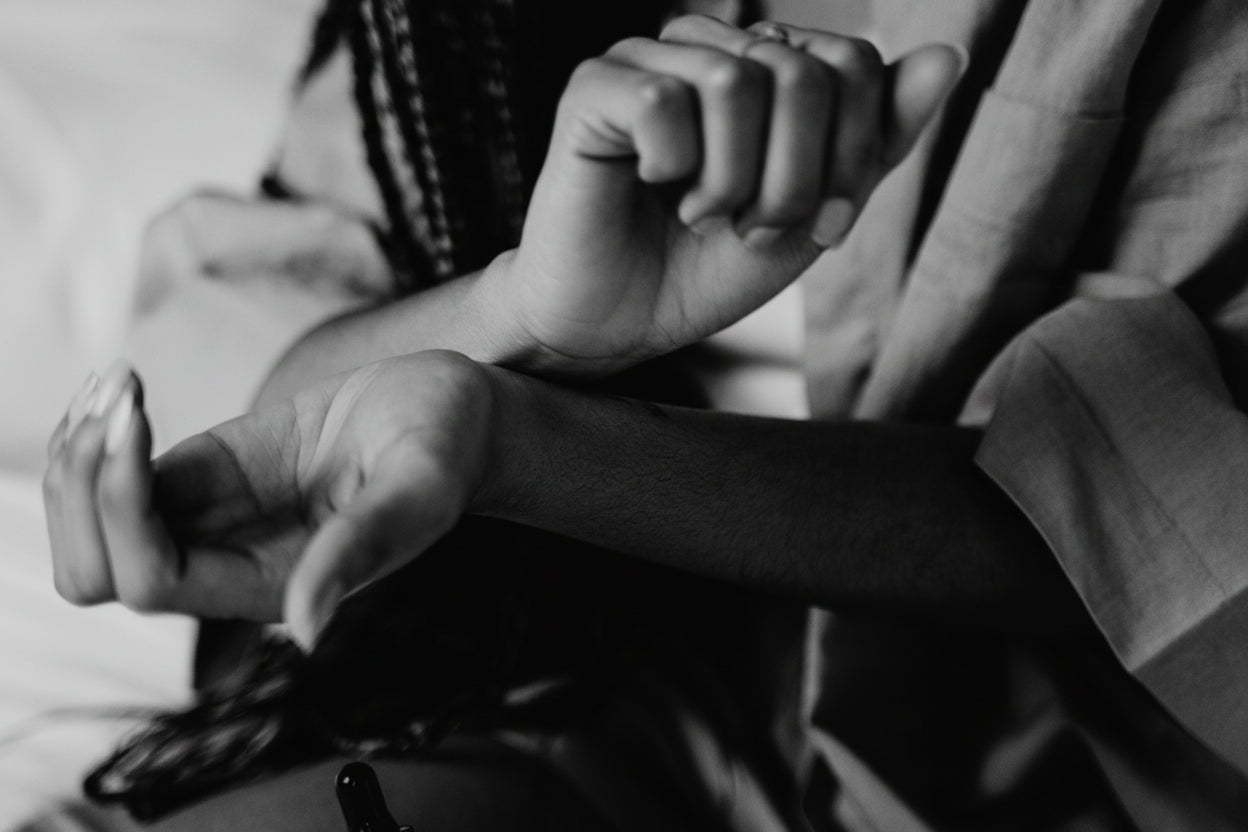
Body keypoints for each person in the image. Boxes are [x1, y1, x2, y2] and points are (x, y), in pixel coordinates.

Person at [40, 1, 1248, 831]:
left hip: (1070, 755)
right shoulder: (453, 30)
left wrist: (529, 442)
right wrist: (514, 314)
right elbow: (276, 318)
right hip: (534, 691)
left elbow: (1165, 525)